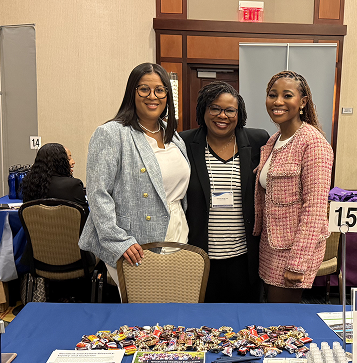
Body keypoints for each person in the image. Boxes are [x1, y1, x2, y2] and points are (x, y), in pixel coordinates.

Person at [79, 62, 190, 288]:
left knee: (172, 306)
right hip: (133, 242)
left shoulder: (174, 136)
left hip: (177, 231)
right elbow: (98, 193)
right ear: (132, 92)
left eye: (160, 90)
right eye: (144, 89)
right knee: (143, 311)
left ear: (167, 95)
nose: (153, 96)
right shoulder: (112, 134)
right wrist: (118, 242)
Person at [181, 82, 269, 302]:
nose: (223, 115)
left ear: (239, 114)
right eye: (215, 108)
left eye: (230, 110)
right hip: (200, 255)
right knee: (203, 324)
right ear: (203, 110)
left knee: (245, 323)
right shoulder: (184, 142)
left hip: (244, 256)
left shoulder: (258, 141)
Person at [254, 71, 333, 303]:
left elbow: (316, 208)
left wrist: (298, 263)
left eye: (287, 95)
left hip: (293, 250)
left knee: (281, 320)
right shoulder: (272, 141)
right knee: (270, 313)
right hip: (270, 246)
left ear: (303, 102)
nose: (278, 102)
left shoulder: (313, 142)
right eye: (272, 95)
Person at [21, 143, 87, 207]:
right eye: (68, 159)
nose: (73, 162)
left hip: (38, 218)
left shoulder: (30, 184)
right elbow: (84, 214)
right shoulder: (74, 185)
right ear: (59, 162)